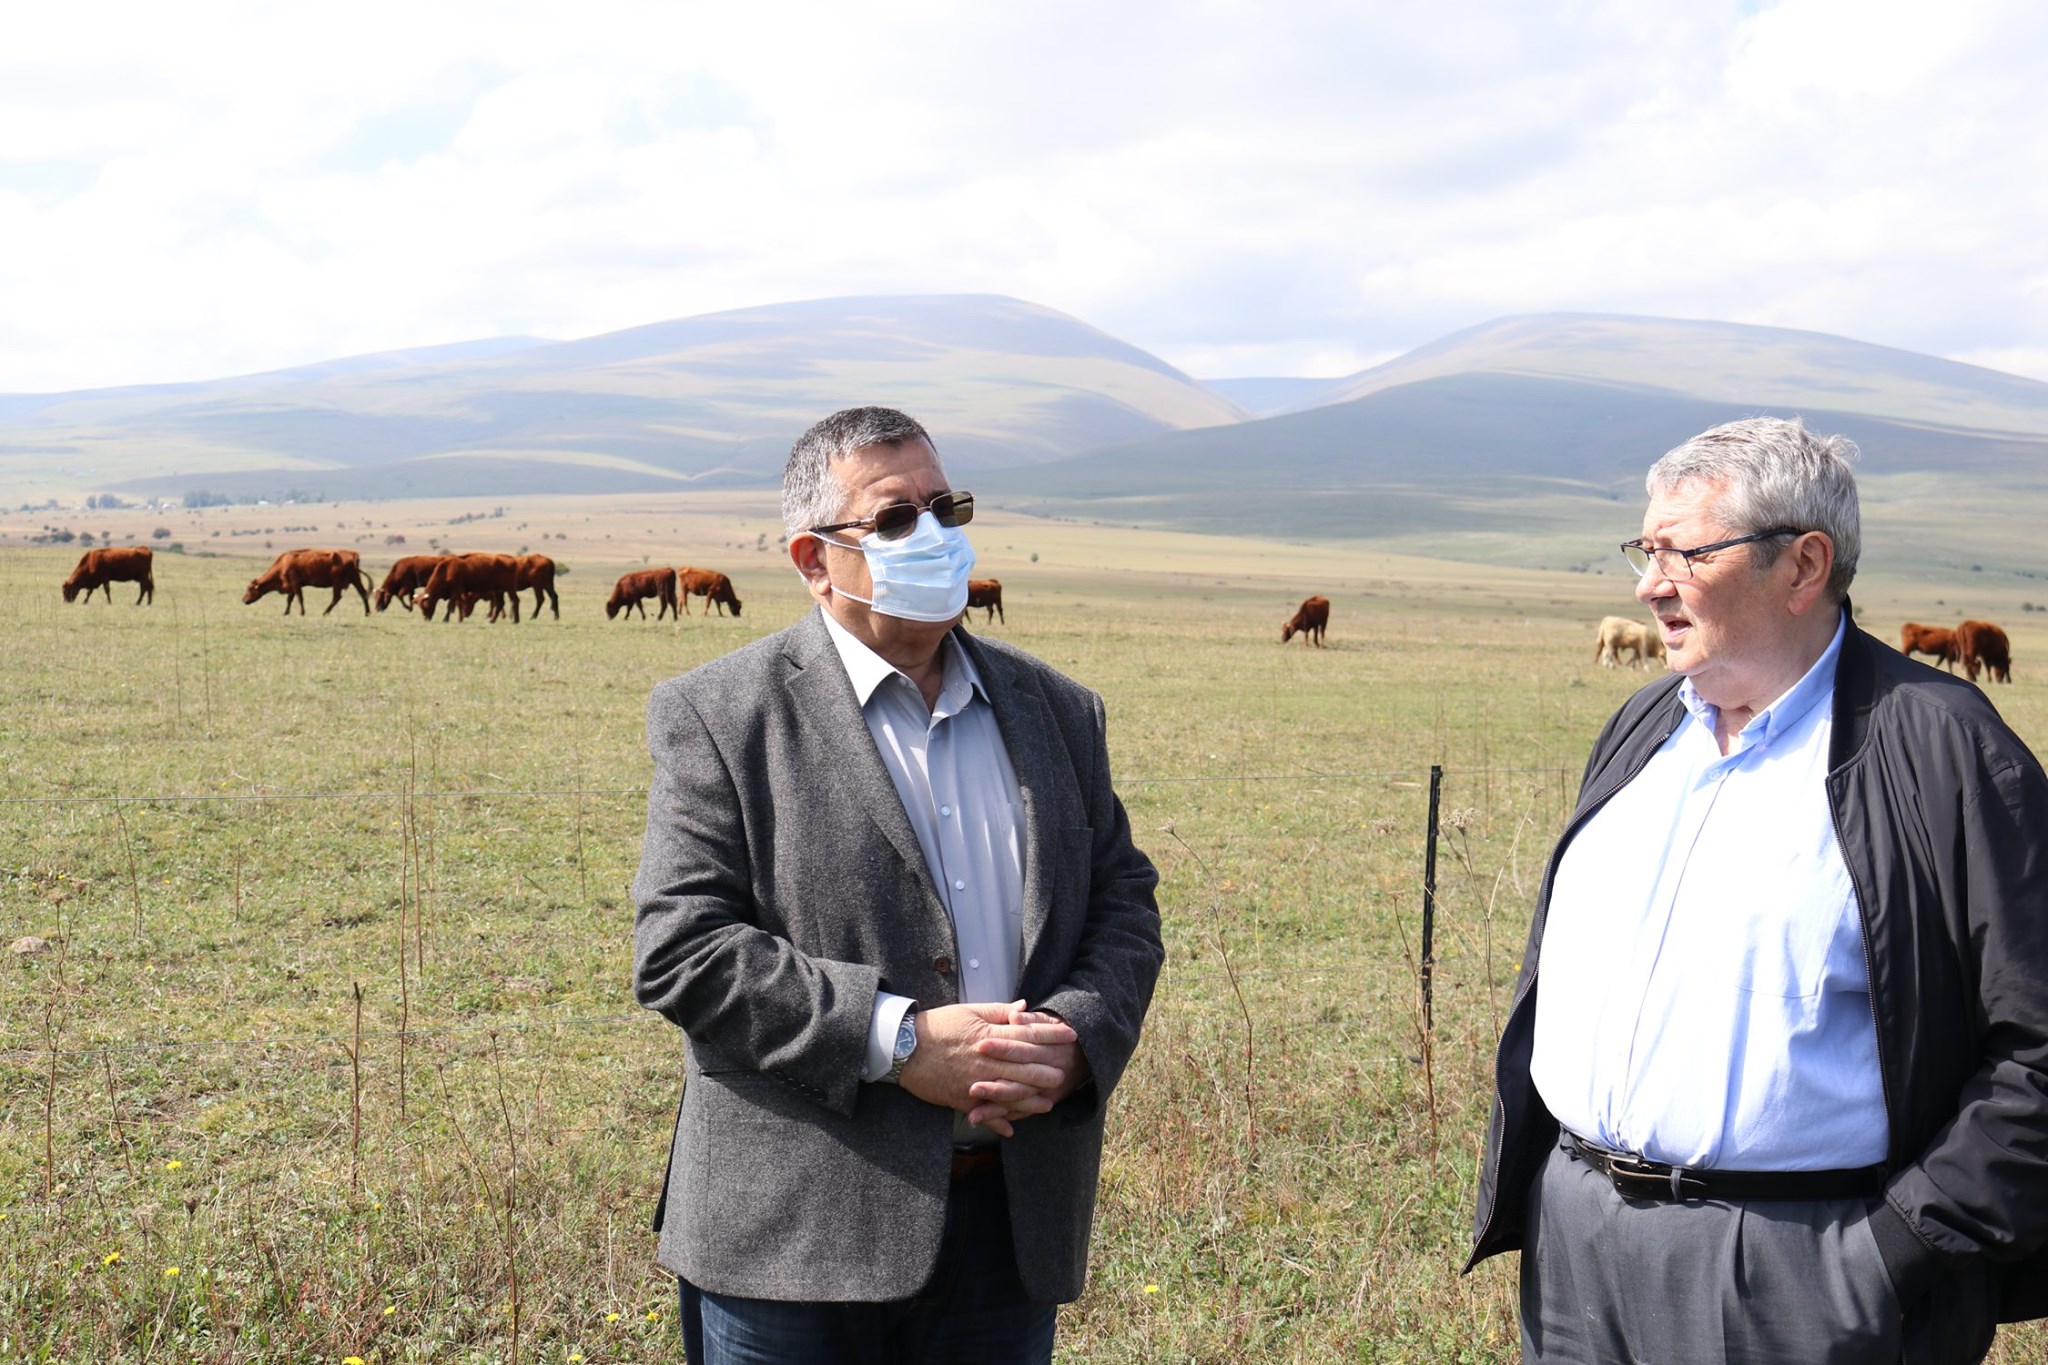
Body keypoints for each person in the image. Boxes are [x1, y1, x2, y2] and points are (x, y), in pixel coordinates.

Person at [1467, 417, 2048, 1363]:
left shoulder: (1946, 749)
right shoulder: (1644, 727)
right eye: (1646, 550)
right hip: (1575, 1249)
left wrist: (1897, 1249)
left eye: (1686, 553)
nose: (1650, 584)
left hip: (1794, 1265)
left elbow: (2037, 1046)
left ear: (1803, 565)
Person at [632, 406, 1164, 1364]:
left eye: (945, 508)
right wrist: (900, 1040)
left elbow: (1124, 903)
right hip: (791, 1239)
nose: (934, 536)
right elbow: (684, 948)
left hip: (1006, 1226)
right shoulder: (721, 713)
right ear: (814, 559)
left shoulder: (1058, 710)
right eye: (893, 519)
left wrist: (1075, 1036)